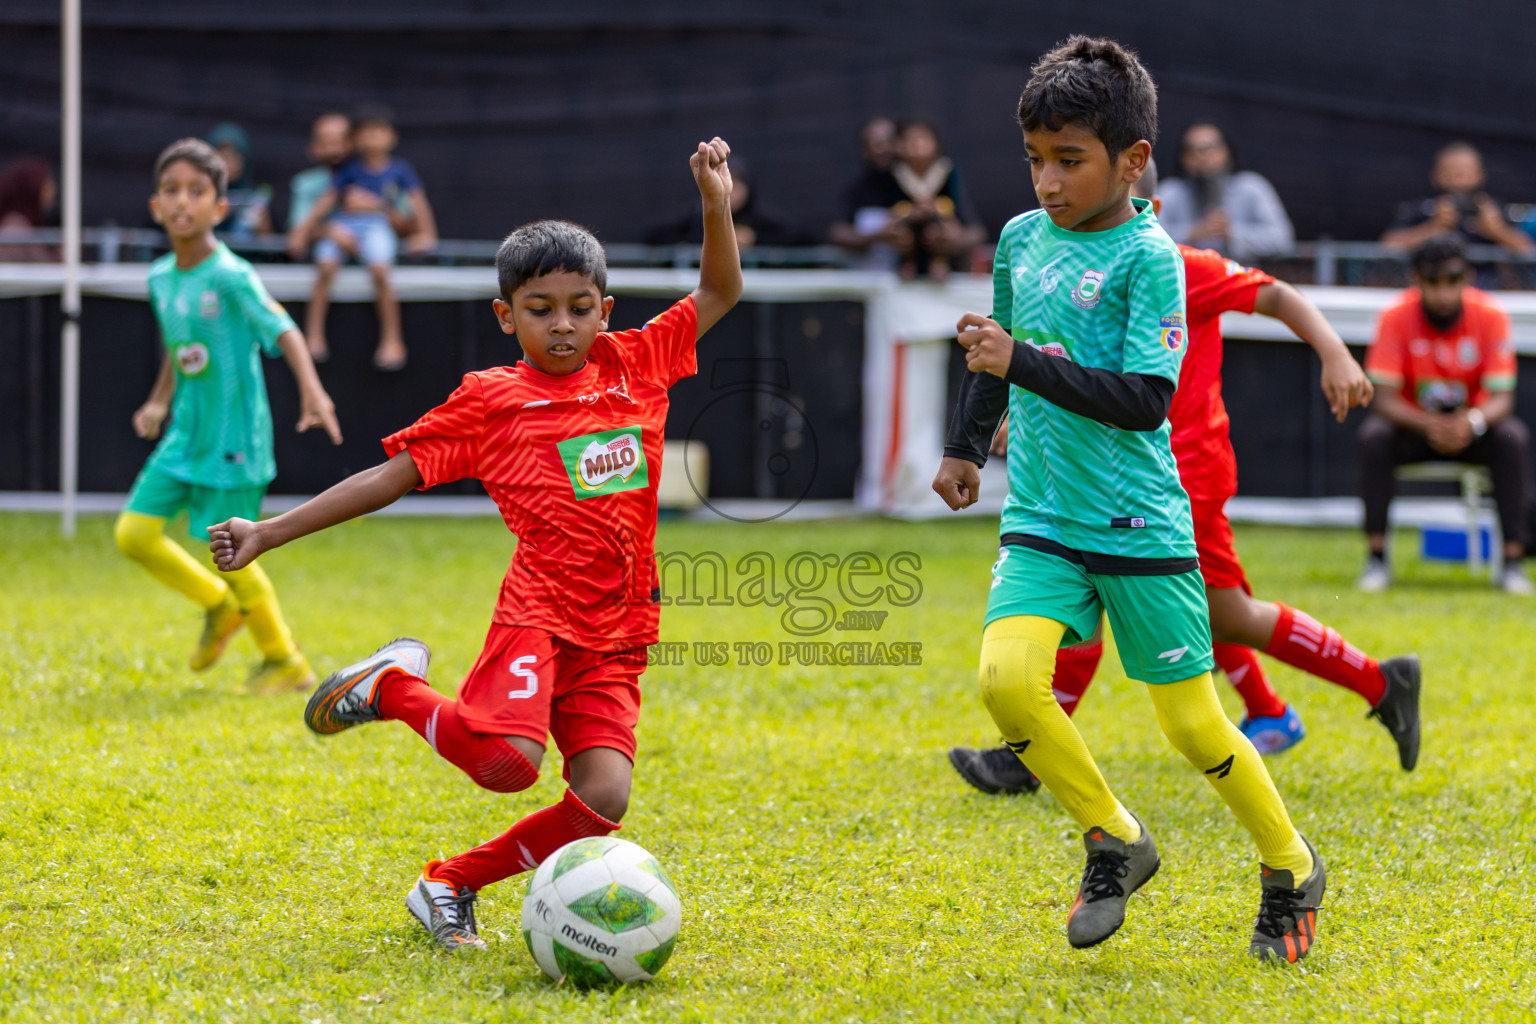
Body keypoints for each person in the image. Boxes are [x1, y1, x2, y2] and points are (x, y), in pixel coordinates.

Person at [208, 139, 742, 952]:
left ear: (606, 307)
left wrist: (714, 200)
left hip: (621, 625)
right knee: (507, 765)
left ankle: (448, 882)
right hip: (539, 611)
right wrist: (269, 532)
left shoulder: (639, 363)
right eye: (540, 308)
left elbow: (719, 287)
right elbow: (389, 477)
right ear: (506, 315)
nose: (561, 324)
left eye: (579, 305)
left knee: (604, 799)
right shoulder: (492, 401)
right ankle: (389, 690)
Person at [928, 36, 1323, 962]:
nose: (1047, 182)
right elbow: (999, 345)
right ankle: (1114, 836)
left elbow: (1146, 400)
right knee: (1005, 682)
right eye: (1035, 159)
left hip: (1139, 524)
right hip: (1043, 522)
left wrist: (1017, 361)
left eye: (1069, 160)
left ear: (1133, 160)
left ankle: (1290, 864)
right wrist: (961, 446)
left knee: (1192, 725)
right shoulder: (1023, 241)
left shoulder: (1153, 260)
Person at [947, 161, 1423, 800]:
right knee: (1169, 604)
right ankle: (1302, 701)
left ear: (1141, 202)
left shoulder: (1169, 261)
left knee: (1213, 611)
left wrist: (1336, 353)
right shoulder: (1051, 250)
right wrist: (1016, 417)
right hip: (1106, 469)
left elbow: (1276, 294)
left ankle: (1368, 686)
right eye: (1037, 160)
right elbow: (1054, 354)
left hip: (1177, 473)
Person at [115, 138, 341, 694]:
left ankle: (285, 660)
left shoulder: (232, 276)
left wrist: (313, 391)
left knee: (232, 551)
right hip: (185, 435)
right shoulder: (161, 277)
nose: (182, 202)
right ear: (155, 206)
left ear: (220, 208)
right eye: (172, 191)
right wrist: (159, 400)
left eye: (197, 191)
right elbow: (179, 344)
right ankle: (221, 607)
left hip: (234, 440)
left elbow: (282, 327)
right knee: (133, 534)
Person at [1357, 234, 1532, 594]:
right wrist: (1429, 424)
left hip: (1474, 429)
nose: (1443, 293)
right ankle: (1376, 559)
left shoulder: (1491, 315)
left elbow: (1502, 398)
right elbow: (1384, 399)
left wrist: (1471, 423)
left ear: (1467, 276)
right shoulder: (1394, 316)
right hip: (1414, 429)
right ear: (1415, 279)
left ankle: (1512, 564)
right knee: (1374, 437)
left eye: (1452, 280)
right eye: (1432, 281)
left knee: (1513, 437)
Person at [292, 104, 439, 370]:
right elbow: (329, 199)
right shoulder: (348, 169)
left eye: (378, 132)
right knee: (325, 266)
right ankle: (313, 336)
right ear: (357, 138)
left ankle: (392, 339)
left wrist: (427, 234)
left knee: (381, 270)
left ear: (392, 136)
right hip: (345, 225)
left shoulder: (399, 170)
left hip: (376, 226)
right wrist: (304, 230)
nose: (372, 139)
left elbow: (417, 202)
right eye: (366, 132)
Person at [1156, 123, 1293, 261]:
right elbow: (1148, 239)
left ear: (1227, 151)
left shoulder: (1251, 187)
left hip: (1241, 277)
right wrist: (1193, 233)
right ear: (1183, 158)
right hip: (1183, 279)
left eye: (1210, 148)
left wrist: (1230, 232)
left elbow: (1282, 239)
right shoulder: (1169, 192)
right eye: (1192, 150)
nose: (1202, 156)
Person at [1381, 142, 1534, 257]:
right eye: (1450, 173)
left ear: (1480, 174)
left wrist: (1496, 231)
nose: (1458, 181)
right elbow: (1387, 246)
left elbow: (1528, 250)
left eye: (1464, 174)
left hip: (1487, 288)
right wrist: (1433, 227)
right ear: (1435, 175)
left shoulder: (1491, 209)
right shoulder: (1424, 208)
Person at [828, 116, 903, 266]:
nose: (885, 149)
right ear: (865, 150)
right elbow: (837, 233)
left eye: (890, 142)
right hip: (865, 280)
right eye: (877, 144)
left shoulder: (916, 187)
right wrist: (879, 236)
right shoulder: (855, 190)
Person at [206, 123, 274, 240]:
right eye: (221, 156)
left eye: (232, 156)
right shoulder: (200, 197)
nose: (227, 163)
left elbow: (271, 249)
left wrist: (263, 227)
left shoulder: (256, 198)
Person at [0, 156, 59, 262]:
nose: (53, 191)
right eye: (47, 183)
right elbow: (43, 270)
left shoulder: (26, 225)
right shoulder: (15, 228)